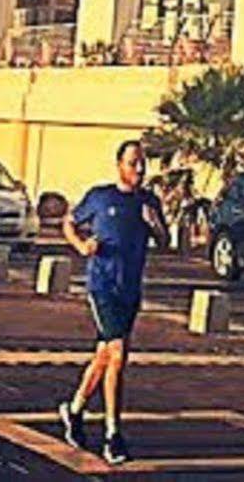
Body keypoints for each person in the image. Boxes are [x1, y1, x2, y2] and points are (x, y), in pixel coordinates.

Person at [57, 140, 168, 466]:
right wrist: (81, 245)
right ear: (119, 164)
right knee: (118, 354)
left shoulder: (148, 201)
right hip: (102, 287)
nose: (139, 169)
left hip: (129, 290)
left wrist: (155, 223)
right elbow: (69, 222)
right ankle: (113, 433)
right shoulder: (100, 197)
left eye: (143, 163)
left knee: (105, 355)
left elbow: (164, 242)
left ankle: (75, 410)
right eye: (133, 162)